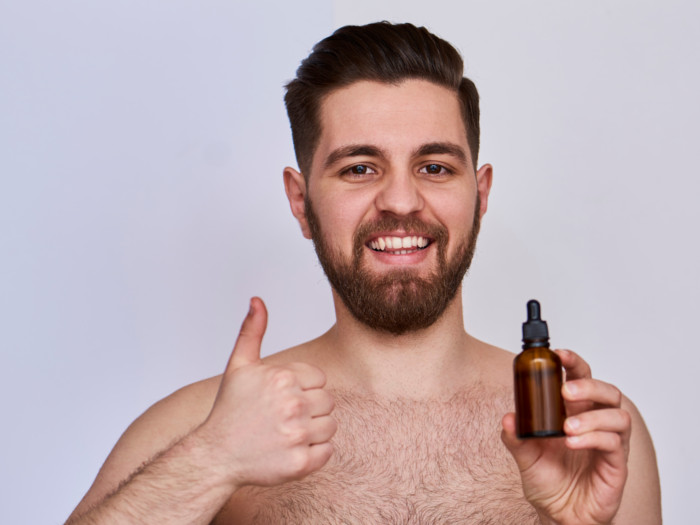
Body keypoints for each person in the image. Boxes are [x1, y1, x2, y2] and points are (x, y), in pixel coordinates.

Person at [66, 22, 661, 524]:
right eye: (358, 168)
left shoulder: (584, 433)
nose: (401, 201)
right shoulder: (198, 427)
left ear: (479, 194)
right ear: (302, 203)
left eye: (433, 166)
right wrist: (212, 460)